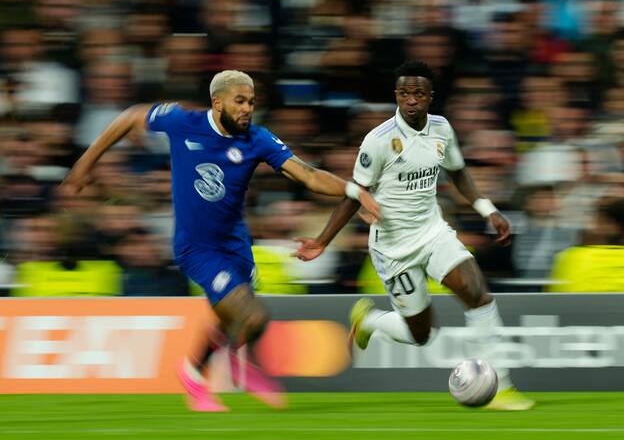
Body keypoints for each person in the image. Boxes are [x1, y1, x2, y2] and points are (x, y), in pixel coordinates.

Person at [62, 70, 381, 412]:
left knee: (233, 319)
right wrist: (85, 164)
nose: (247, 109)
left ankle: (204, 370)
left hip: (236, 246)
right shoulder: (183, 122)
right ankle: (217, 368)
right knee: (253, 317)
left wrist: (354, 190)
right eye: (240, 101)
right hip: (197, 249)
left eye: (252, 102)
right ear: (218, 102)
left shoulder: (257, 139)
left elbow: (307, 173)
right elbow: (130, 117)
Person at [294, 60, 534, 410]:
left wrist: (488, 209)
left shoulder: (441, 129)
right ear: (397, 95)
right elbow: (353, 195)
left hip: (432, 232)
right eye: (405, 93)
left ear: (430, 97)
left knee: (478, 295)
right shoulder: (377, 141)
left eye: (418, 93)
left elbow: (459, 173)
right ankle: (371, 320)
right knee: (421, 334)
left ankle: (501, 387)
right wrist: (322, 240)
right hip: (393, 249)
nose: (411, 100)